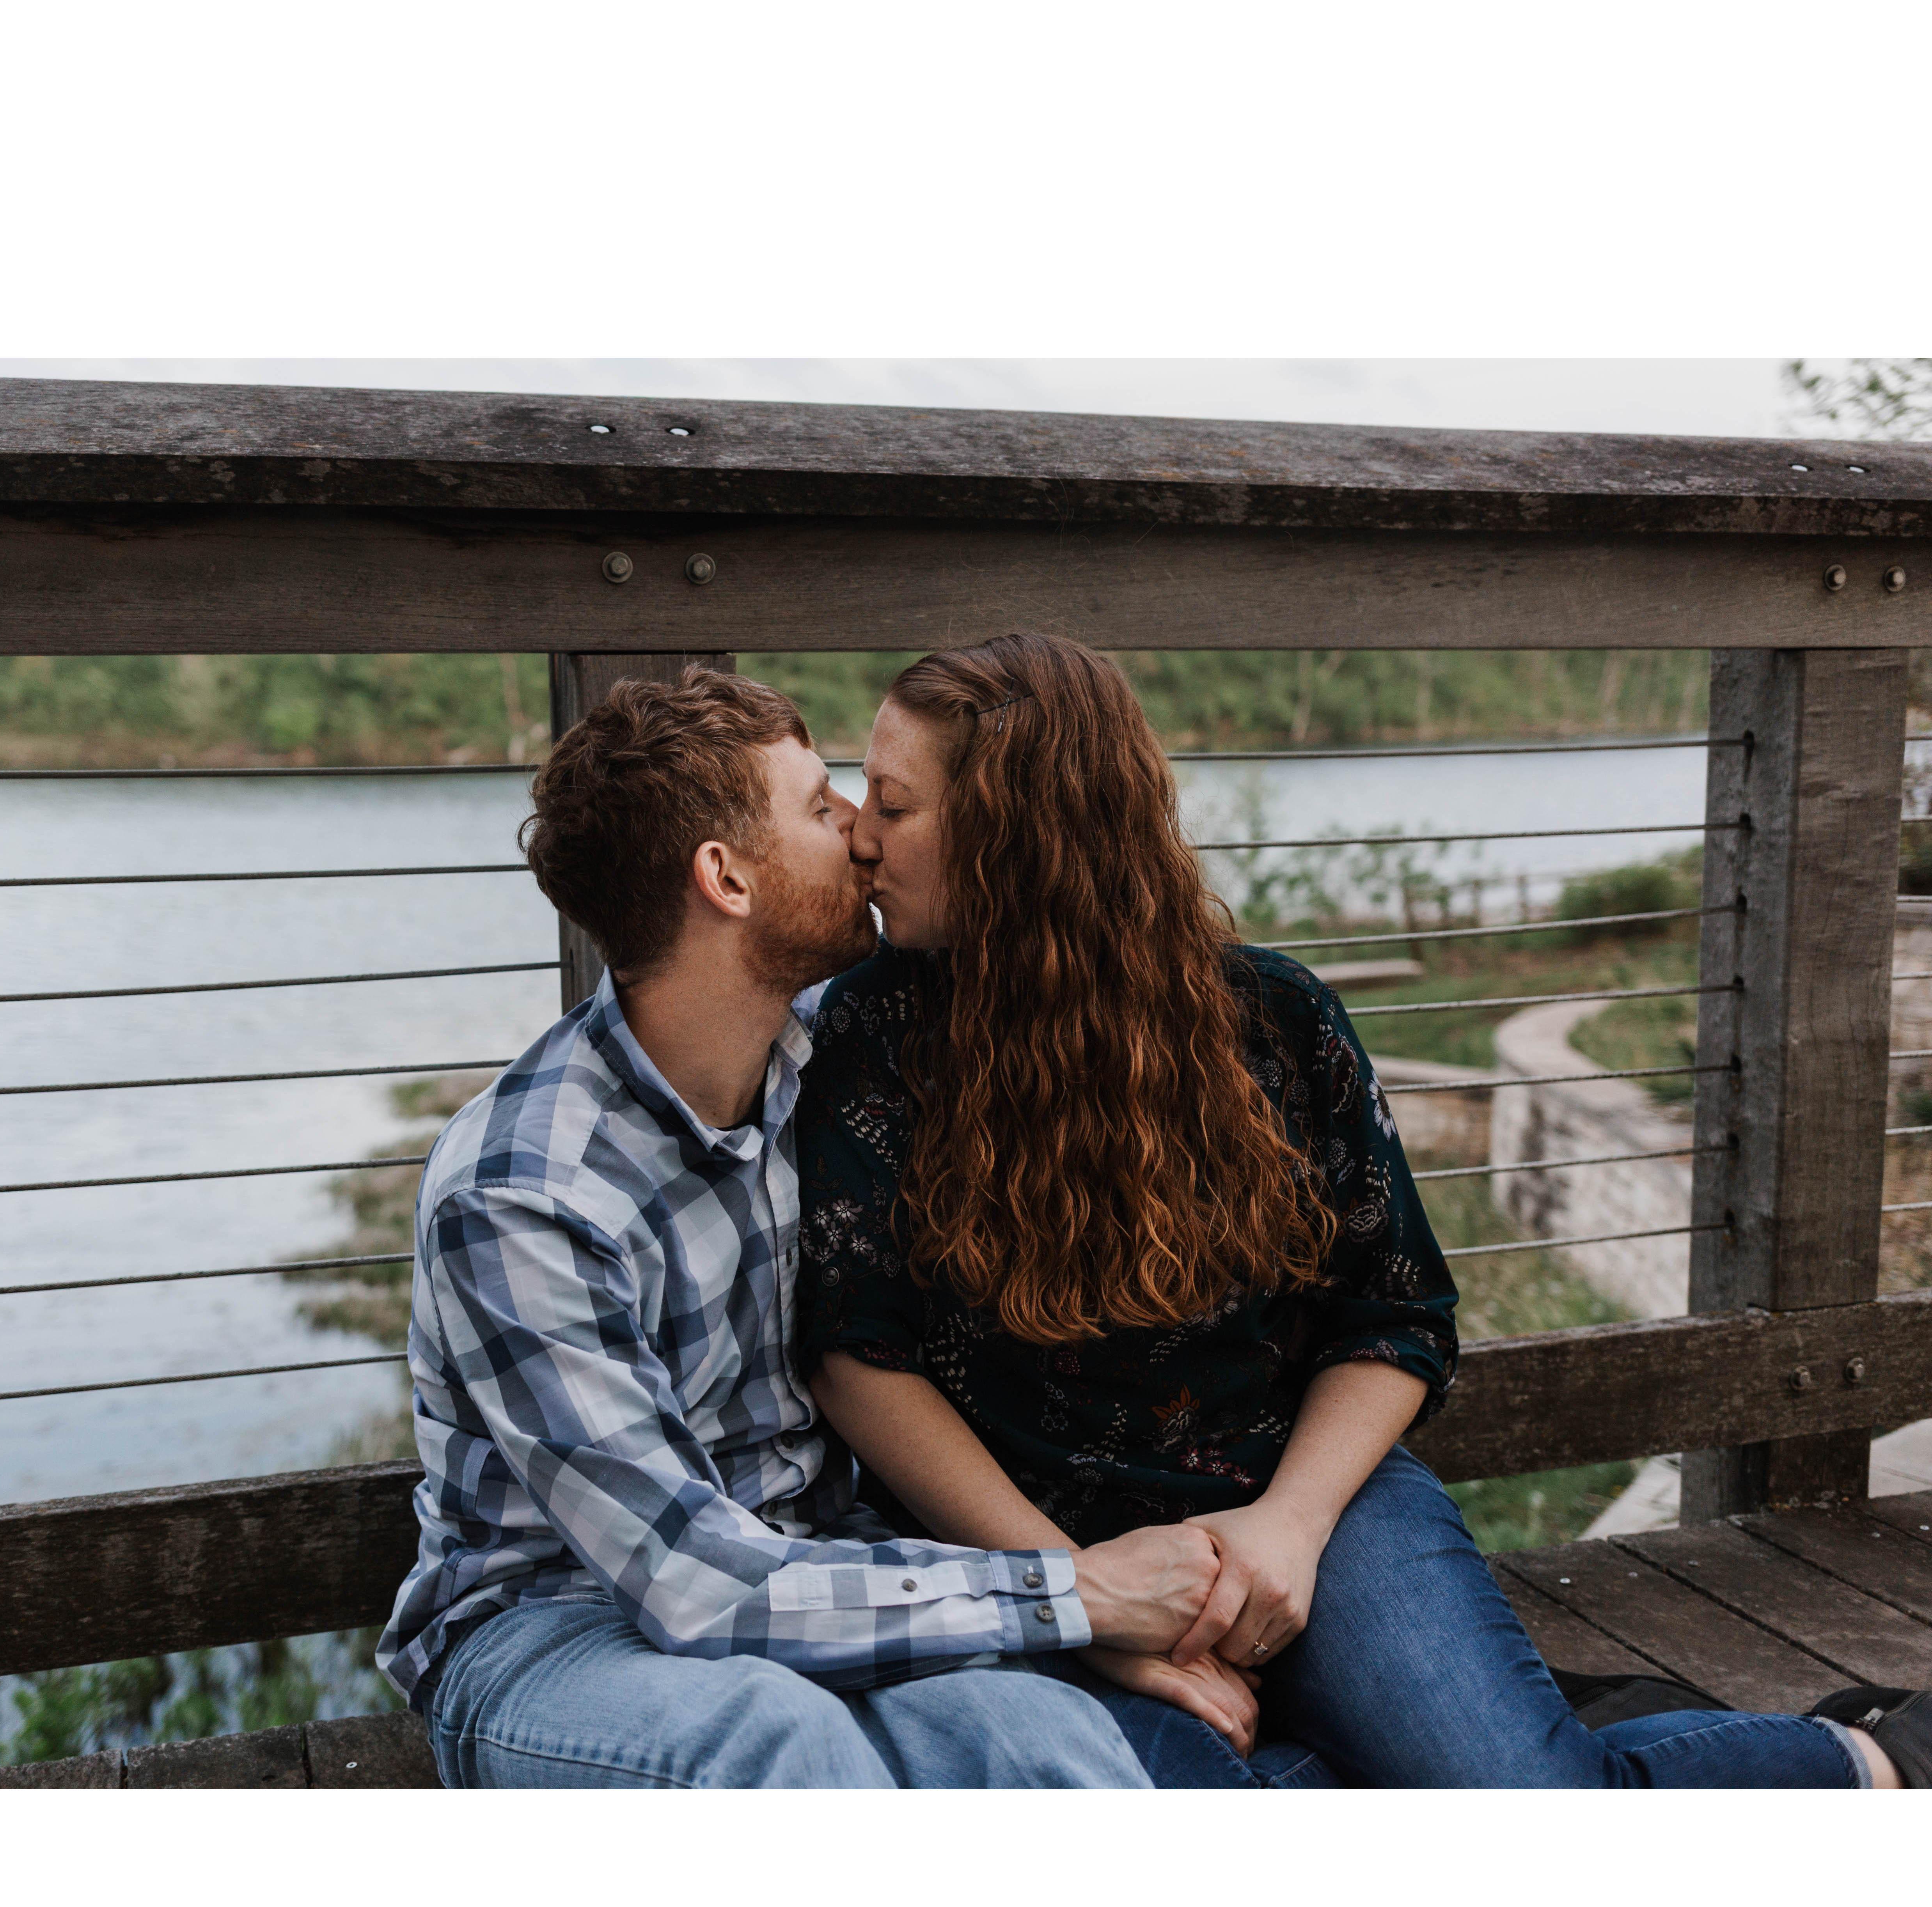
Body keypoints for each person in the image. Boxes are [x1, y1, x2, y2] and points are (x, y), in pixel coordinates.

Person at [795, 629, 1920, 1790]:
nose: (859, 833)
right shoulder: (863, 1037)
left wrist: (1290, 1525)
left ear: (1021, 839)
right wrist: (1077, 1600)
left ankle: (1866, 1761)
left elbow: (1395, 1314)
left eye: (894, 804)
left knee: (1523, 1800)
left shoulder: (1275, 1021)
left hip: (1306, 1502)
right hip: (1021, 1548)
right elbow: (856, 1357)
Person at [377, 664, 1233, 1788]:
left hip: (816, 1579)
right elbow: (693, 1586)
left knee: (1041, 1739)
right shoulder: (521, 1195)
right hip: (557, 1633)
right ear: (726, 878)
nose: (860, 833)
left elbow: (1047, 971)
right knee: (782, 1743)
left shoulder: (824, 1062)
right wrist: (1079, 1593)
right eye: (822, 806)